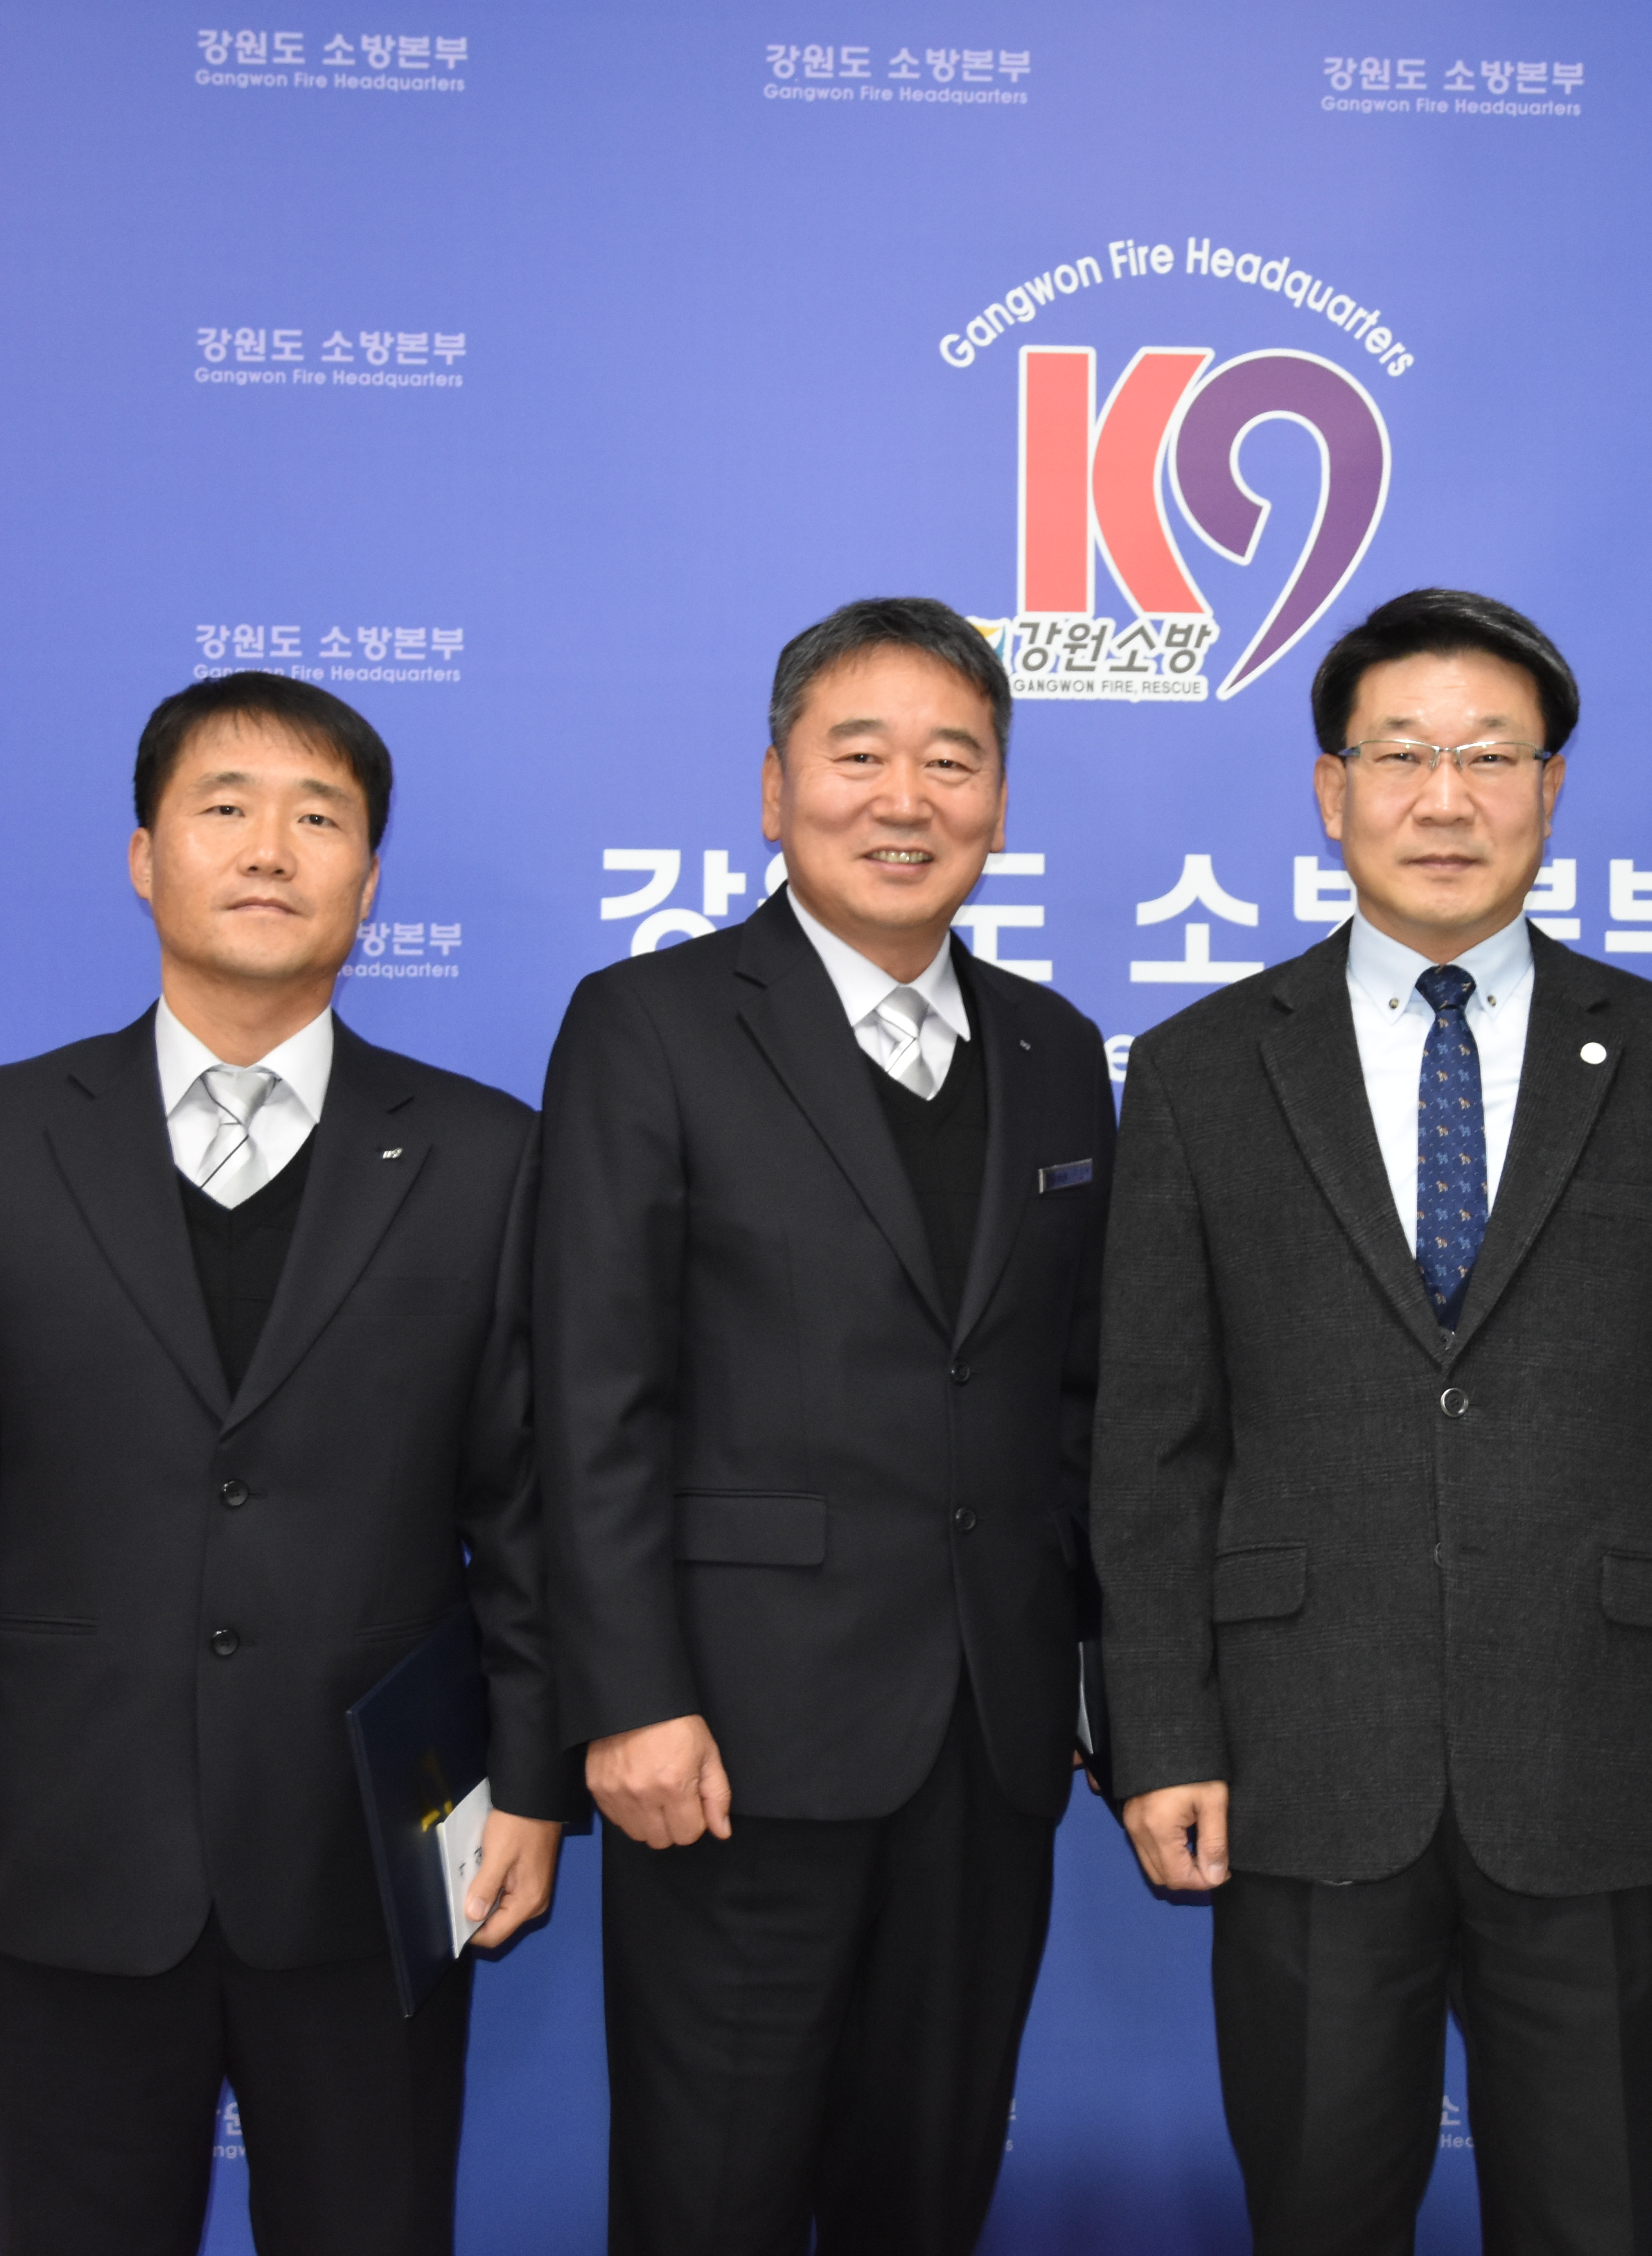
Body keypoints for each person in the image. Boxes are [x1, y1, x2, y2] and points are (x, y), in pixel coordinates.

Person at [1093, 587, 1652, 2255]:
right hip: (1303, 1761)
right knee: (1318, 2213)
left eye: (1490, 756)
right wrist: (1165, 1734)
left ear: (1551, 791)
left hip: (1599, 1760)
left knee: (1588, 2217)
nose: (1445, 798)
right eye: (1400, 754)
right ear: (1330, 788)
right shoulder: (1203, 1070)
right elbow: (1152, 1448)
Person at [0, 673, 566, 2254]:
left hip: (381, 1841)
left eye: (320, 818)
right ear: (144, 858)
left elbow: (525, 1509)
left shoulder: (487, 1153)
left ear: (369, 882)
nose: (270, 849)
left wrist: (530, 1785)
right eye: (224, 808)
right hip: (68, 1839)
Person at [537, 596, 1114, 2254]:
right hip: (731, 1745)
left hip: (990, 1741)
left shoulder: (1056, 1049)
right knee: (710, 2193)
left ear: (999, 802)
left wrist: (1108, 1694)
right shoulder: (650, 1025)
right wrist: (631, 1699)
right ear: (775, 788)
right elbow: (593, 1393)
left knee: (926, 2191)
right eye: (858, 756)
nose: (905, 799)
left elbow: (1083, 1404)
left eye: (954, 761)